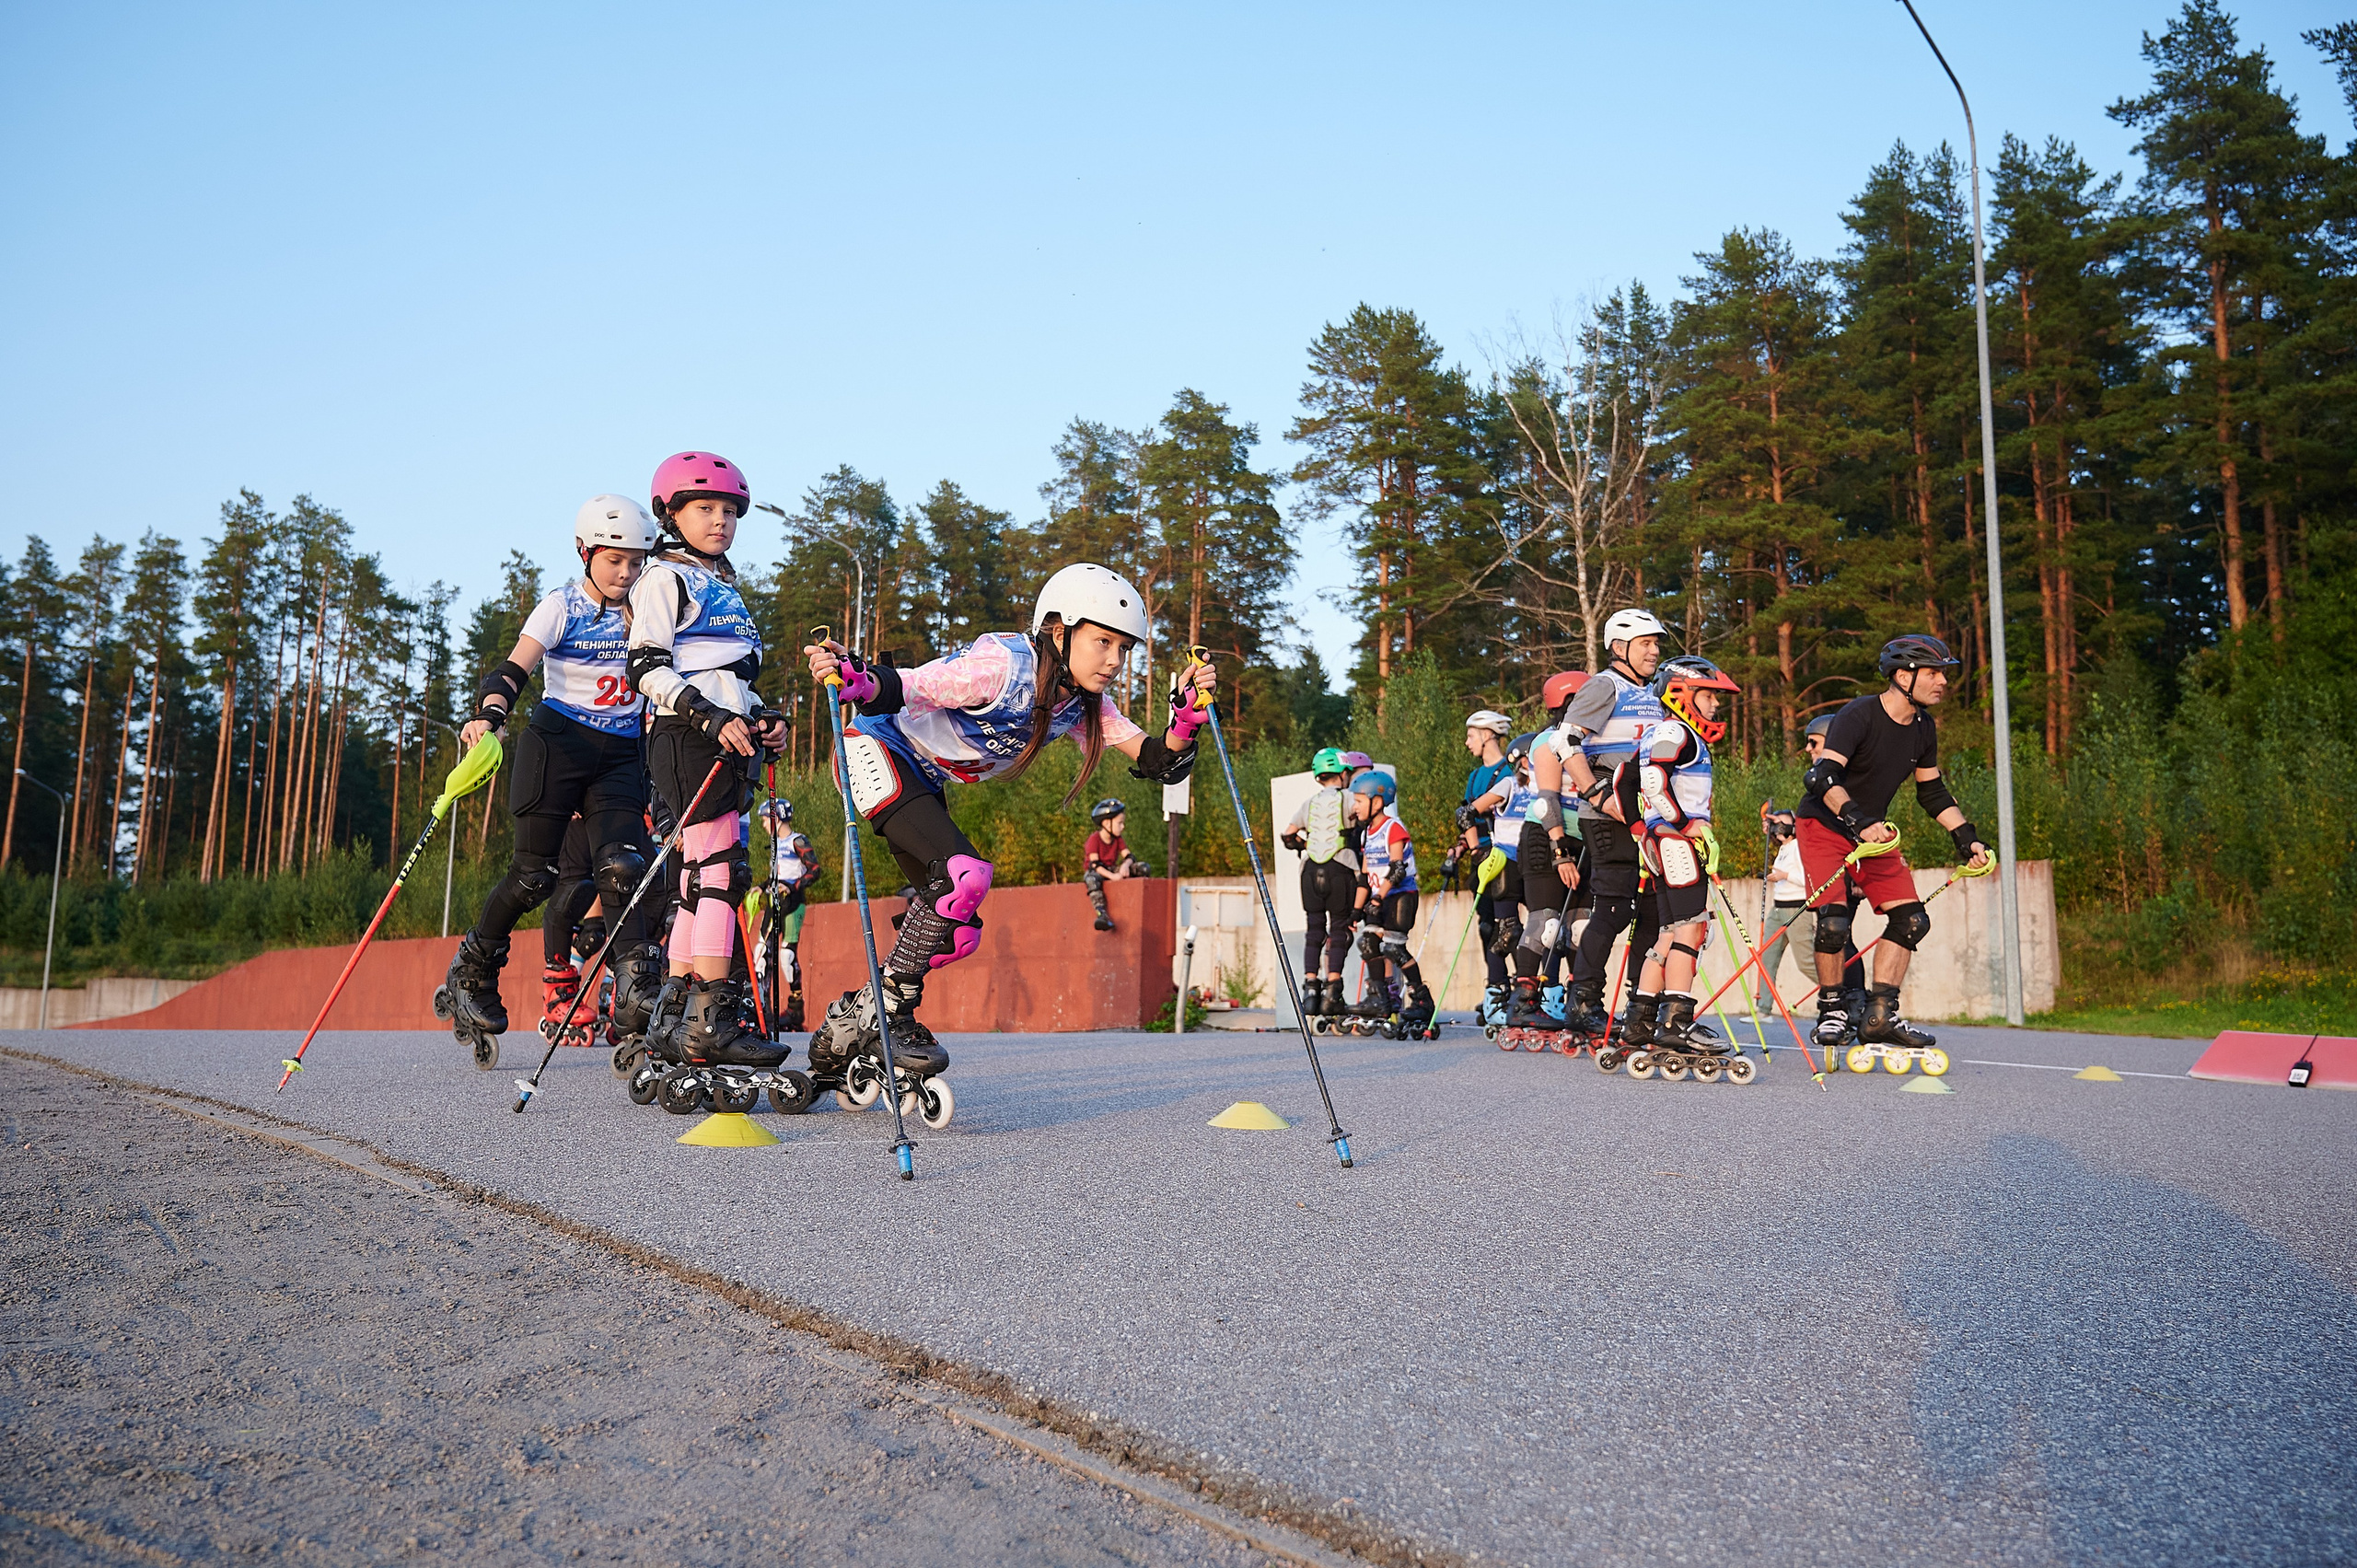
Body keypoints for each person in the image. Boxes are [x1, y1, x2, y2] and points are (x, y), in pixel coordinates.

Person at [804, 562, 1212, 1076]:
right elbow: (908, 686)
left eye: (1124, 649)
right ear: (1059, 630)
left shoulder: (1083, 705)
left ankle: (857, 1019)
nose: (1114, 661)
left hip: (924, 779)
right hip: (878, 747)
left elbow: (1158, 762)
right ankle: (890, 1014)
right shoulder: (1002, 666)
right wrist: (857, 678)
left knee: (957, 932)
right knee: (963, 874)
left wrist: (1187, 717)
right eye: (1103, 642)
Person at [437, 496, 663, 1053]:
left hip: (620, 753)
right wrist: (488, 716)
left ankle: (636, 994)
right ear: (585, 552)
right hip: (557, 745)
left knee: (622, 867)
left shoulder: (650, 608)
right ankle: (472, 970)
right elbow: (516, 667)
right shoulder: (560, 605)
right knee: (534, 877)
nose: (626, 572)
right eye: (615, 560)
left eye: (636, 561)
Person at [625, 451, 792, 1076]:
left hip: (723, 734)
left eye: (729, 511)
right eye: (705, 508)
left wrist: (761, 716)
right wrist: (709, 716)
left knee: (702, 874)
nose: (720, 520)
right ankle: (715, 1021)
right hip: (688, 733)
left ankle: (677, 1009)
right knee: (722, 869)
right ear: (672, 513)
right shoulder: (663, 577)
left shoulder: (723, 586)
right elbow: (645, 667)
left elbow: (732, 675)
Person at [1796, 634, 1991, 1052]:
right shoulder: (1858, 715)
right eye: (1934, 672)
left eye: (1944, 673)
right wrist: (1860, 822)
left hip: (1873, 834)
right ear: (1904, 676)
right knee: (1834, 923)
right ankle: (1832, 1009)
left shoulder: (1923, 728)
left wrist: (1966, 839)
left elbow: (1933, 792)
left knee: (1912, 921)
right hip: (1826, 826)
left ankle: (1880, 1016)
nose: (1943, 681)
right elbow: (1821, 778)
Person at [1615, 656, 1743, 1051]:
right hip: (1678, 842)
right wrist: (1687, 826)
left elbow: (1624, 780)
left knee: (1668, 931)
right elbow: (1652, 781)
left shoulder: (1657, 733)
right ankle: (1677, 1023)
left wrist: (1639, 829)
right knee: (1692, 928)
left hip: (1659, 843)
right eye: (1709, 696)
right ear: (1682, 694)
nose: (1715, 705)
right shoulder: (1677, 732)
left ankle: (1639, 1021)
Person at [1553, 610, 1670, 1035]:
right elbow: (1562, 741)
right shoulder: (1605, 685)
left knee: (1655, 912)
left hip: (1645, 814)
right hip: (1606, 815)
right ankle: (1583, 1000)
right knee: (1616, 909)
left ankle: (1642, 1001)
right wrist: (1595, 794)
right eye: (1645, 643)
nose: (1654, 651)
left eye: (1656, 644)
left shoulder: (1656, 691)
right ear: (1619, 647)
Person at [1504, 671, 1592, 1029]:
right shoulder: (1548, 741)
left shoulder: (1592, 740)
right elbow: (1547, 800)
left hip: (1585, 839)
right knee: (1547, 924)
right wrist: (1559, 851)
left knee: (1582, 927)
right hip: (1546, 836)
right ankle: (1523, 1002)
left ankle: (1581, 1003)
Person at [1345, 770, 1432, 1030]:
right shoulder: (1366, 834)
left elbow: (1397, 869)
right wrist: (1356, 910)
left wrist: (1379, 898)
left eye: (1359, 801)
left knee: (1394, 949)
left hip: (1400, 896)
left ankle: (1421, 999)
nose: (1354, 806)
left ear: (1377, 802)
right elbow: (1364, 877)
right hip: (1378, 898)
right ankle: (1380, 999)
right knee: (1368, 943)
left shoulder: (1393, 828)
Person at [1281, 749, 1359, 1021]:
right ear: (1343, 773)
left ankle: (1310, 990)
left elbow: (1288, 835)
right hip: (1341, 867)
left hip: (1310, 872)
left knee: (1314, 929)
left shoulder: (1309, 803)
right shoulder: (1349, 798)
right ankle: (1332, 993)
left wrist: (1307, 844)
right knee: (1339, 929)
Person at [1453, 710, 1518, 1006]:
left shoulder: (1510, 770)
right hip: (1482, 857)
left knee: (1512, 924)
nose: (1467, 743)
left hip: (1508, 853)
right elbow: (1466, 816)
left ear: (1487, 734)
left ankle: (1526, 983)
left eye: (1471, 736)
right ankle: (1497, 985)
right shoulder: (1475, 776)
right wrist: (1465, 849)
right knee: (1487, 925)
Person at [749, 796, 819, 1032]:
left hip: (793, 902)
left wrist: (792, 886)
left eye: (765, 820)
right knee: (762, 954)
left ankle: (795, 1008)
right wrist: (761, 886)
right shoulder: (774, 846)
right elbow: (774, 876)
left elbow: (814, 871)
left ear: (776, 818)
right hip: (773, 902)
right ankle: (763, 1010)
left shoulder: (797, 841)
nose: (763, 825)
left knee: (787, 957)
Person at [1081, 798, 1150, 932]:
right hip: (1098, 871)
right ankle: (1101, 914)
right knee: (1091, 879)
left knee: (1142, 868)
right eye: (1120, 823)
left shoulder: (1118, 839)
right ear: (1107, 823)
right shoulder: (1094, 839)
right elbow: (1094, 864)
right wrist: (1113, 877)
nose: (1122, 827)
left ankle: (1138, 902)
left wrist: (1125, 865)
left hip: (1112, 868)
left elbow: (1129, 856)